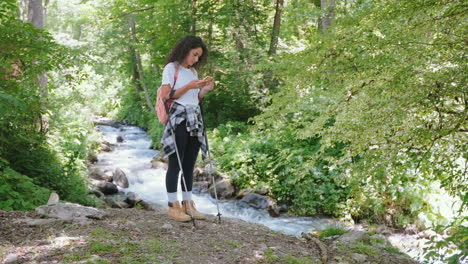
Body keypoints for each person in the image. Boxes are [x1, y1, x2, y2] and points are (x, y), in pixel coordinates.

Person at [160, 35, 214, 222]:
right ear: (185, 50)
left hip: (194, 118)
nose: (196, 59)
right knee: (176, 163)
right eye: (194, 54)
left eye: (199, 56)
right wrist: (189, 85)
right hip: (179, 118)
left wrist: (204, 90)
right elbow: (168, 95)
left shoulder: (193, 73)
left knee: (190, 164)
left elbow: (194, 99)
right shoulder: (171, 68)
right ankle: (172, 206)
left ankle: (188, 204)